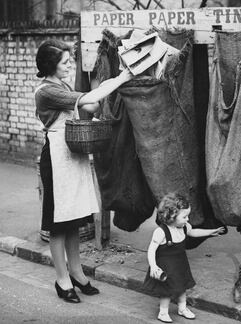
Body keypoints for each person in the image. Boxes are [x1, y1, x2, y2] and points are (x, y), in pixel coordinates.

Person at [35, 39, 133, 303]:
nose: (70, 65)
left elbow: (89, 105)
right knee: (58, 223)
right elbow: (89, 101)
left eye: (70, 61)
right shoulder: (45, 91)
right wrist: (122, 77)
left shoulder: (62, 86)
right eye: (65, 62)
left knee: (74, 219)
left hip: (71, 156)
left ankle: (77, 273)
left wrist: (94, 95)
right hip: (56, 159)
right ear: (49, 64)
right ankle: (62, 279)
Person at [144, 193, 225, 323]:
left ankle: (182, 308)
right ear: (171, 216)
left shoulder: (184, 227)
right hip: (165, 266)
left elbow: (193, 232)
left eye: (188, 216)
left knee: (182, 287)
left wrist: (210, 232)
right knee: (166, 291)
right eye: (184, 216)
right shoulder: (161, 232)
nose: (187, 219)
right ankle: (163, 312)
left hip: (180, 264)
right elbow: (151, 250)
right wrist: (153, 266)